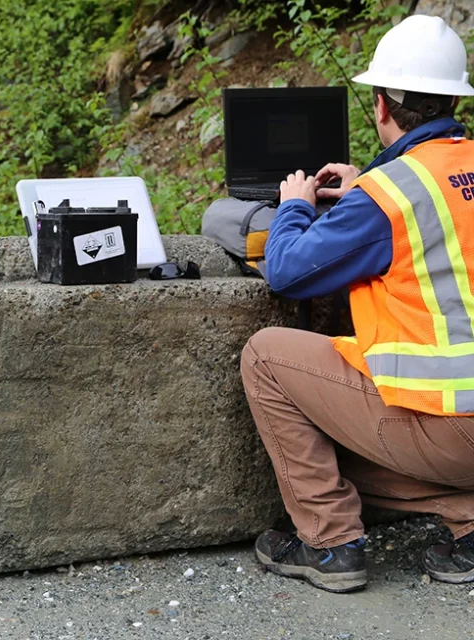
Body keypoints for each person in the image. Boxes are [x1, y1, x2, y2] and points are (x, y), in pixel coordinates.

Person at [240, 14, 474, 593]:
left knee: (266, 356)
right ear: (452, 100)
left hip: (453, 430)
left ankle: (330, 543)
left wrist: (296, 203)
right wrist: (370, 183)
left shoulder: (388, 197)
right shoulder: (440, 172)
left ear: (381, 107)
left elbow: (290, 271)